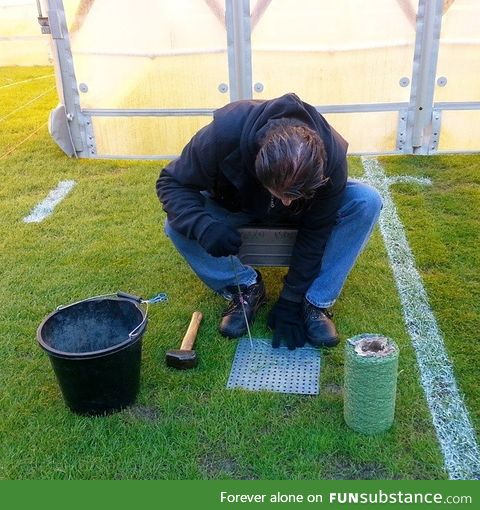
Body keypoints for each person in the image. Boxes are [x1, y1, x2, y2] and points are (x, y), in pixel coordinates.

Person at [156, 93, 382, 350]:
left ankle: (315, 302)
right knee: (177, 225)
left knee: (367, 201)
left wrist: (291, 299)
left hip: (303, 214)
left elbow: (316, 231)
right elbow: (171, 182)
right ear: (257, 166)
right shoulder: (222, 135)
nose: (286, 201)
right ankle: (245, 287)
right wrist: (203, 226)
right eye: (281, 193)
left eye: (293, 194)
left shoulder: (333, 156)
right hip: (236, 204)